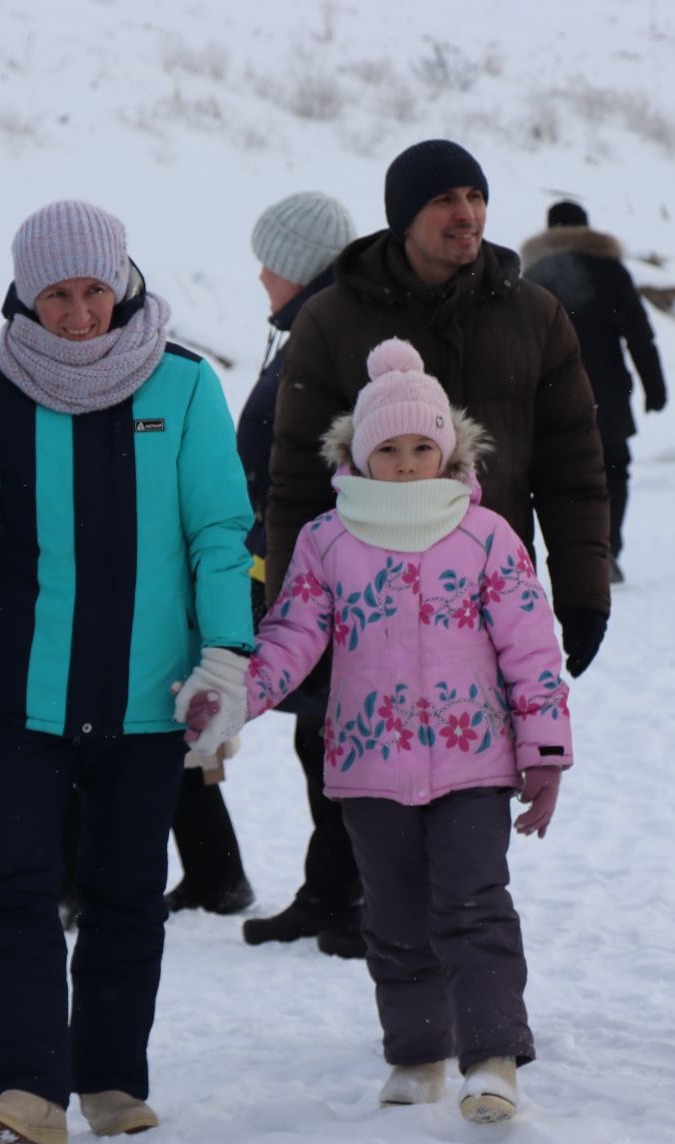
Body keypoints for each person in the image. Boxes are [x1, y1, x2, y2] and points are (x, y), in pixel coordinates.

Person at [0, 200, 253, 1144]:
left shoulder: (184, 387)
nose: (76, 313)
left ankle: (109, 1077)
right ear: (25, 295)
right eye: (55, 295)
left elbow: (219, 534)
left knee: (126, 893)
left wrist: (226, 654)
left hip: (151, 698)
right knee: (12, 889)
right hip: (15, 691)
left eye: (93, 290)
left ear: (123, 282)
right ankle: (25, 1089)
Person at [186, 339, 570, 1123]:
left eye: (421, 447)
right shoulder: (331, 540)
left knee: (475, 906)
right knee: (393, 919)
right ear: (361, 456)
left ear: (447, 449)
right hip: (369, 765)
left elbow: (532, 650)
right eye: (387, 450)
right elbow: (292, 636)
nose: (404, 464)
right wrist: (238, 696)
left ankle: (492, 1059)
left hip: (475, 762)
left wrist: (547, 753)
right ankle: (418, 1055)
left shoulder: (486, 535)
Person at [263, 138, 608, 705]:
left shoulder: (535, 315)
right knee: (356, 786)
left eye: (475, 196)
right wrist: (297, 626)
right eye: (445, 200)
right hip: (361, 621)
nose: (467, 213)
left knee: (480, 784)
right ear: (404, 219)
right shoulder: (332, 319)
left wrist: (583, 596)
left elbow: (572, 474)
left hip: (485, 610)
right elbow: (297, 484)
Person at [233, 190, 368, 953]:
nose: (260, 277)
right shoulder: (308, 327)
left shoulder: (331, 331)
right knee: (318, 735)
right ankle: (330, 891)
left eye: (270, 263)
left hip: (329, 571)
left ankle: (357, 899)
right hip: (293, 561)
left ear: (298, 266)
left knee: (338, 738)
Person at [520, 200, 668, 583]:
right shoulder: (610, 271)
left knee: (561, 475)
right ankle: (607, 549)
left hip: (551, 395)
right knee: (613, 471)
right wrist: (654, 385)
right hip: (607, 394)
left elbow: (518, 342)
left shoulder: (534, 275)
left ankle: (572, 553)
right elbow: (638, 331)